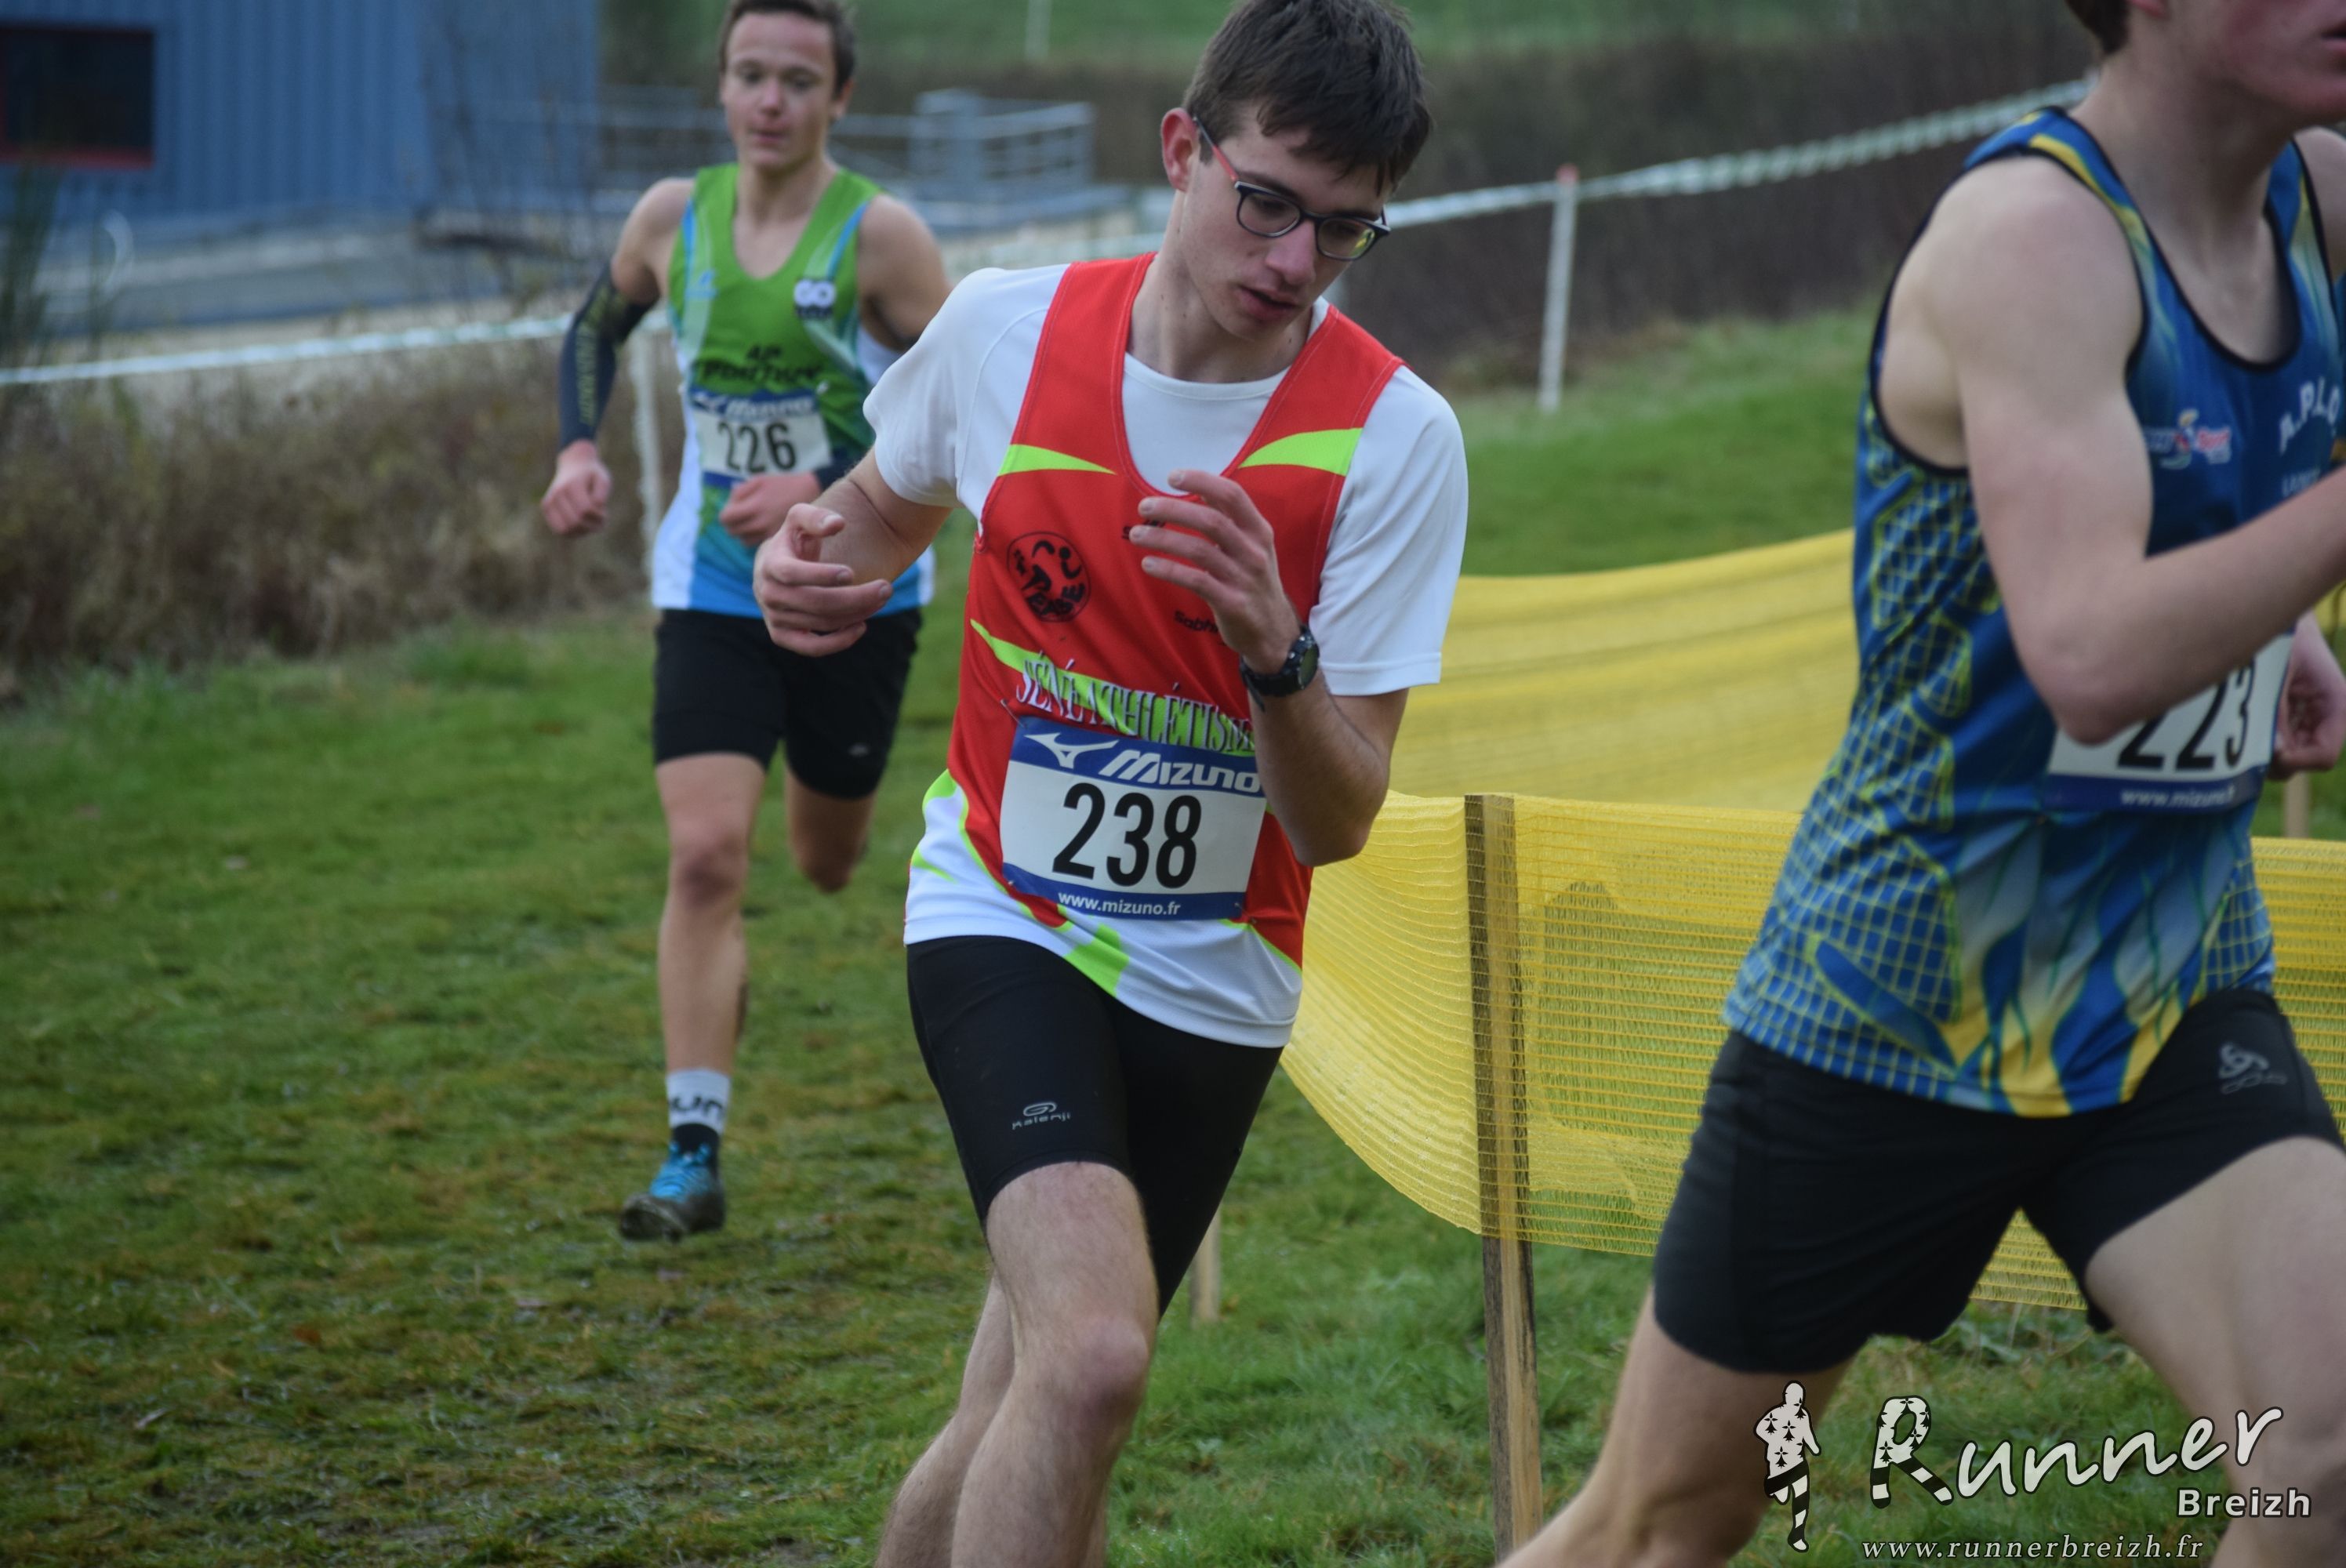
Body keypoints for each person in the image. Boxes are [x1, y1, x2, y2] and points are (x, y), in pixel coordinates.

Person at [1505, 2, 2346, 1563]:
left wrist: (2271, 622)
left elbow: (2200, 466)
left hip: (2164, 987)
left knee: (2325, 1453)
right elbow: (2085, 646)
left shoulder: (2313, 197)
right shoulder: (2031, 238)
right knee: (1665, 1523)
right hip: (1897, 1008)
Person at [754, 3, 1466, 1559]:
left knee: (1021, 1404)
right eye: (1266, 203)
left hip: (1217, 975)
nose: (1295, 260)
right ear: (1182, 150)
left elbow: (1337, 822)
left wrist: (1274, 649)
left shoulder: (1396, 439)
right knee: (1089, 1355)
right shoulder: (1004, 332)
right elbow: (872, 515)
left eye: (1344, 230)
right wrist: (803, 572)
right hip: (1003, 911)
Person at [538, 0, 950, 1242]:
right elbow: (594, 326)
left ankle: (741, 971)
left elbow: (966, 404)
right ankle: (692, 1152)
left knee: (825, 861)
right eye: (750, 75)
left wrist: (827, 482)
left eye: (799, 80)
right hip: (713, 583)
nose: (771, 101)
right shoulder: (672, 220)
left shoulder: (883, 238)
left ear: (840, 98)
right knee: (707, 854)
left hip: (852, 588)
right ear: (720, 86)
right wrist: (576, 448)